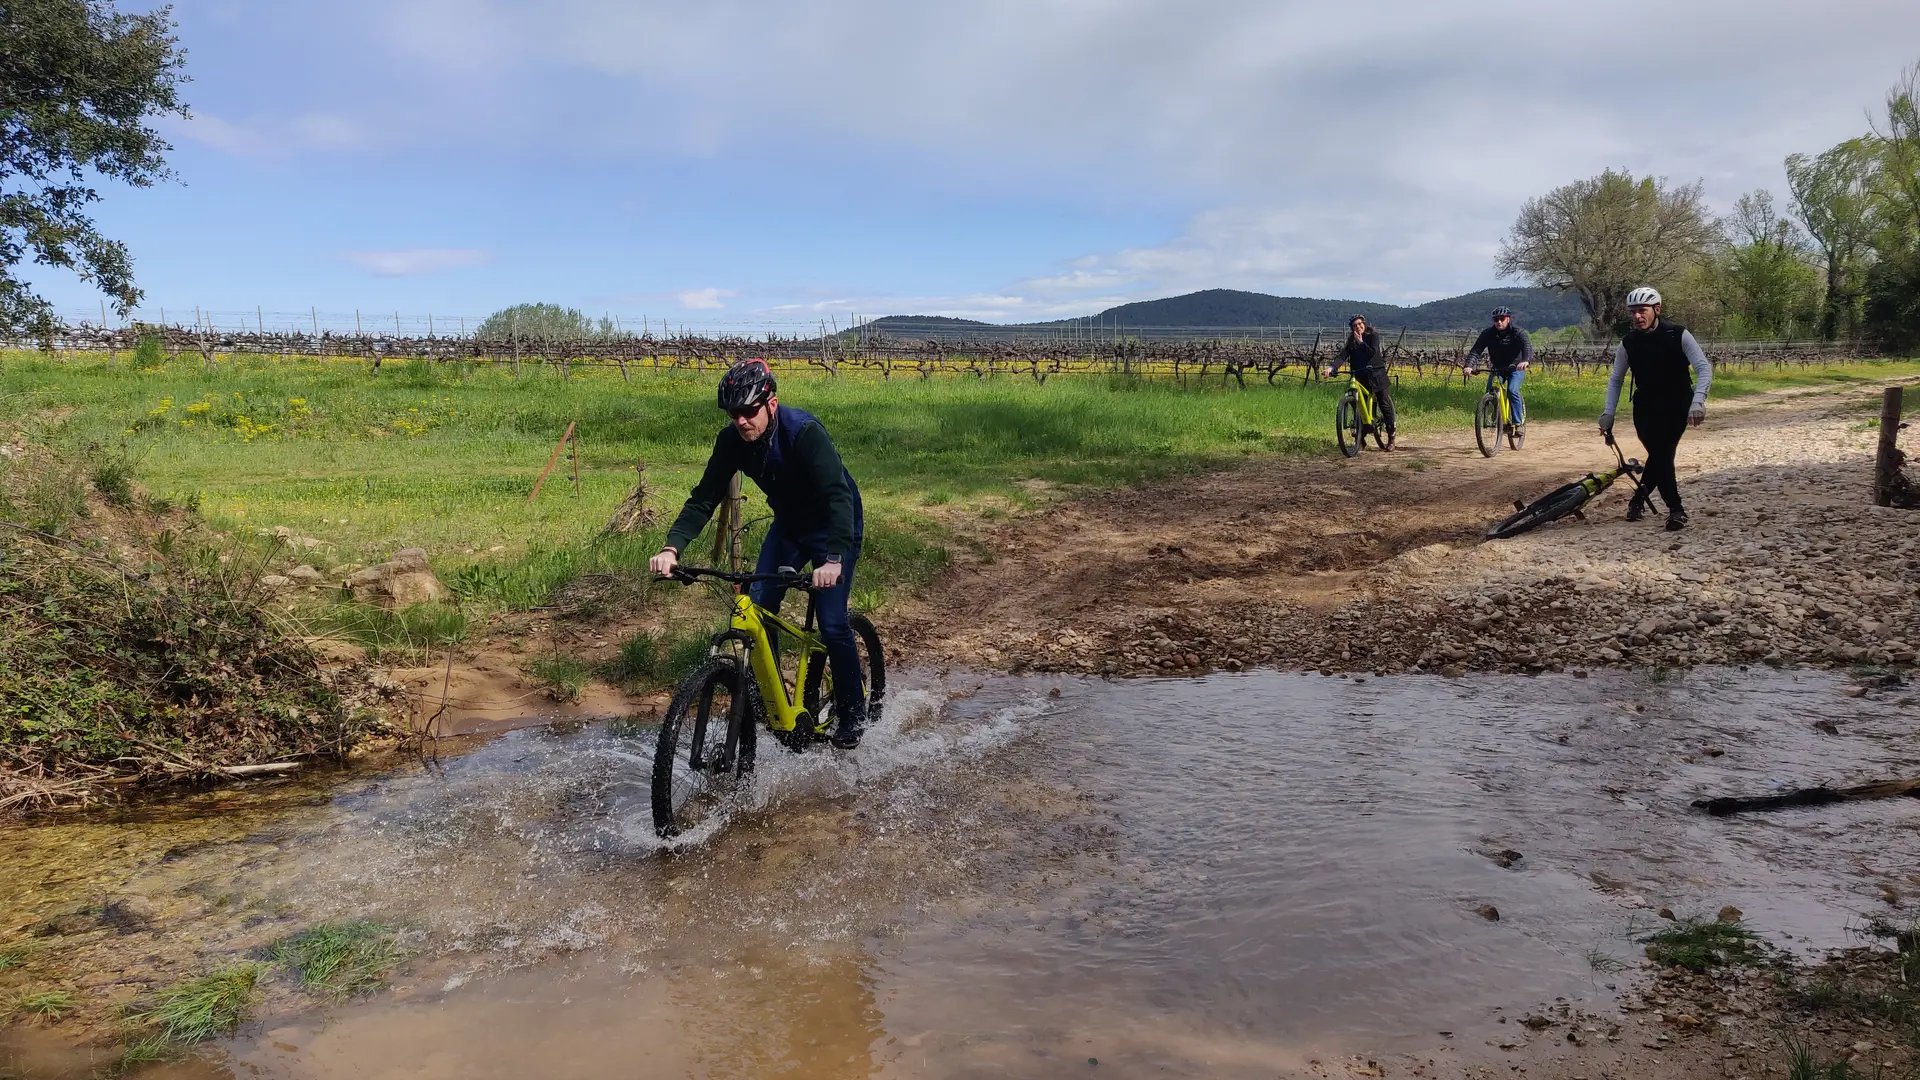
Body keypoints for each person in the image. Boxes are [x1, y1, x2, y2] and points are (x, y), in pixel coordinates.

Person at [648, 359, 869, 748]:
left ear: (771, 404)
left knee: (833, 622)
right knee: (760, 609)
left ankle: (853, 713)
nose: (741, 421)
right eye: (733, 414)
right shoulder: (732, 441)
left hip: (834, 526)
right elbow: (704, 498)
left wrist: (833, 559)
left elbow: (838, 495)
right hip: (789, 526)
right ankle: (773, 703)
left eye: (749, 411)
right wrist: (672, 547)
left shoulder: (804, 433)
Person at [1597, 287, 1711, 531]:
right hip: (1646, 406)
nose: (1637, 316)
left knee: (1662, 454)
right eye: (1633, 312)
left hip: (1678, 404)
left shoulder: (1678, 334)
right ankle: (1642, 498)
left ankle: (1675, 508)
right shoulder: (1629, 342)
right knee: (1660, 455)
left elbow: (1703, 368)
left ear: (1656, 309)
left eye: (1642, 311)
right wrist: (1608, 412)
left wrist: (1698, 401)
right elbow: (1616, 379)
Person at [1322, 315, 1396, 450]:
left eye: (1360, 324)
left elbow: (1372, 352)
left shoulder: (1372, 335)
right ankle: (1360, 438)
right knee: (1359, 406)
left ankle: (1391, 437)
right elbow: (1343, 356)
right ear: (1352, 328)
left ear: (1364, 324)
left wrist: (1361, 342)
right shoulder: (1352, 340)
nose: (1358, 326)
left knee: (1384, 403)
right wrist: (1331, 368)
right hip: (1360, 375)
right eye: (1355, 325)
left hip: (1377, 375)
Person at [1464, 306, 1532, 437]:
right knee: (1491, 391)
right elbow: (1476, 351)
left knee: (1512, 390)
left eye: (1502, 319)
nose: (1499, 322)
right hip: (1497, 368)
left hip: (1516, 368)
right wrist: (1468, 366)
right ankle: (1496, 419)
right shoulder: (1487, 334)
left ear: (1508, 319)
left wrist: (1525, 361)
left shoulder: (1518, 332)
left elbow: (1526, 347)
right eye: (1496, 319)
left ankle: (1518, 423)